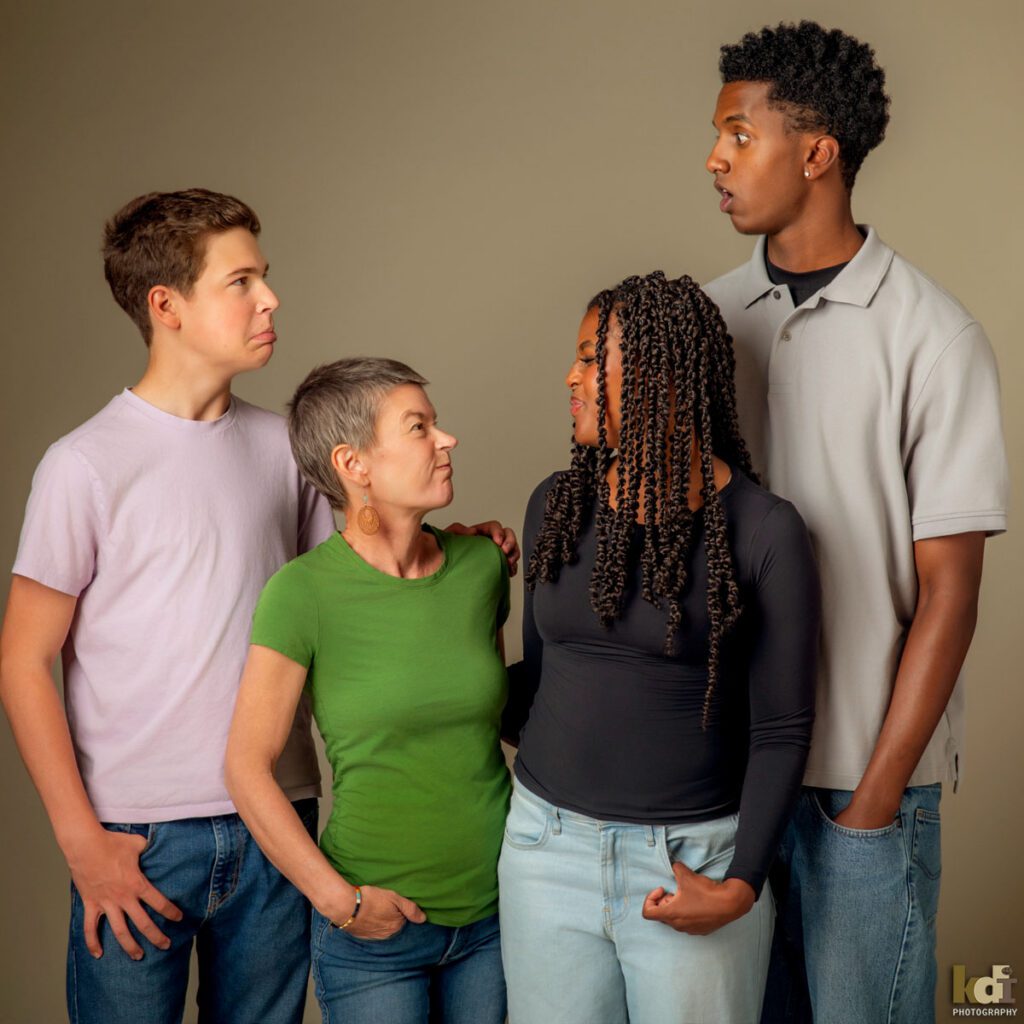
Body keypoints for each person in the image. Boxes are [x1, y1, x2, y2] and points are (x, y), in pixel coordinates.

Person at [0, 190, 517, 1024]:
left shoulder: (283, 446)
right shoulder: (84, 465)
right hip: (138, 837)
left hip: (283, 823)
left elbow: (359, 567)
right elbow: (23, 661)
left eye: (264, 278)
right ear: (166, 305)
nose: (270, 299)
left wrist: (456, 544)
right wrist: (81, 841)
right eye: (241, 281)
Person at [702, 22, 1010, 1024]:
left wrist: (874, 803)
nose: (714, 157)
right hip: (718, 785)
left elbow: (949, 595)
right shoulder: (705, 322)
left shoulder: (933, 334)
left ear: (816, 151)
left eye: (738, 135)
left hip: (858, 789)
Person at [498, 271, 821, 1024]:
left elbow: (780, 730)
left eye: (588, 359)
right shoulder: (555, 503)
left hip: (692, 864)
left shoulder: (765, 531)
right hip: (546, 852)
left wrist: (740, 884)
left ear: (659, 379)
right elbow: (540, 680)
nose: (569, 379)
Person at [225, 357, 512, 1024]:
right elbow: (246, 766)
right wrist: (339, 902)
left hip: (498, 917)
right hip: (375, 936)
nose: (447, 441)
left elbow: (494, 715)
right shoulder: (301, 593)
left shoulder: (482, 566)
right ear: (355, 465)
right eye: (419, 428)